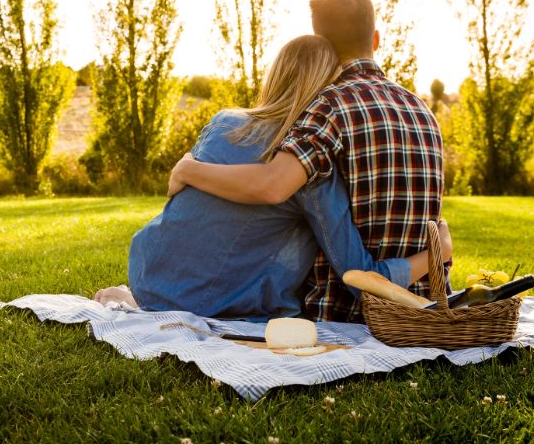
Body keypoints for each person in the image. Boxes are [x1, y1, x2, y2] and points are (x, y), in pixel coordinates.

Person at [94, 34, 451, 320]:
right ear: (328, 90)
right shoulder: (307, 168)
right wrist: (436, 255)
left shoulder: (224, 122)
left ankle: (139, 300)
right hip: (210, 301)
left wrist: (188, 168)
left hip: (147, 269)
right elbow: (359, 277)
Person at [168, 0, 446, 323]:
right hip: (424, 303)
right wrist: (437, 253)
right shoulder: (422, 110)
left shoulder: (329, 105)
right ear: (375, 40)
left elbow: (272, 186)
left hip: (347, 311)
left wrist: (186, 170)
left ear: (322, 46)